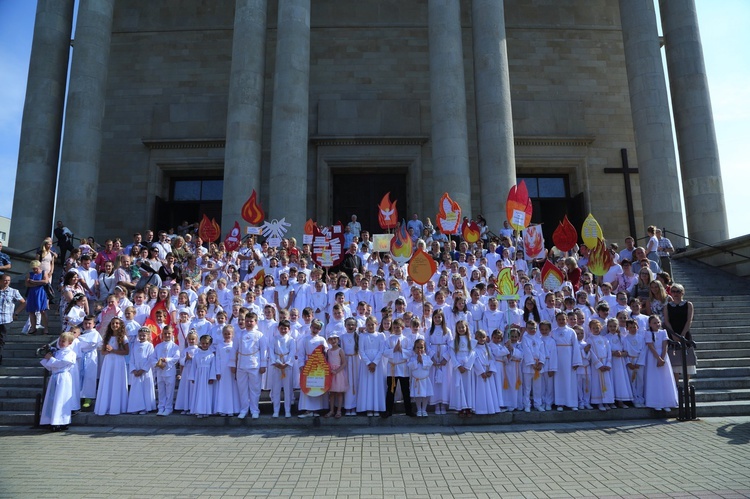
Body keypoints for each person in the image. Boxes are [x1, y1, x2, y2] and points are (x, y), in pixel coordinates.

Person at [40, 331, 77, 431]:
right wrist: (48, 358)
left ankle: (61, 421)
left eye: (63, 341)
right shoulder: (58, 352)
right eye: (60, 341)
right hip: (55, 376)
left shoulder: (70, 353)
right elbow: (52, 366)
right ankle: (50, 420)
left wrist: (51, 359)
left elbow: (61, 364)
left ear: (69, 343)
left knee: (61, 399)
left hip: (63, 378)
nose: (60, 343)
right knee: (52, 399)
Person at [94, 318, 130, 416]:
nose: (115, 325)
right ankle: (106, 406)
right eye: (113, 323)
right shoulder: (107, 337)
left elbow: (126, 352)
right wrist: (108, 351)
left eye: (117, 323)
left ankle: (117, 406)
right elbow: (103, 352)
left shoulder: (123, 337)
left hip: (118, 361)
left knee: (117, 382)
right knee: (108, 382)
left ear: (120, 325)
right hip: (108, 362)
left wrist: (113, 350)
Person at [236, 312, 267, 419]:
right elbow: (234, 350)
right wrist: (233, 364)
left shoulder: (260, 335)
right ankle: (244, 409)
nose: (249, 323)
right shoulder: (239, 334)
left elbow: (264, 351)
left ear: (256, 322)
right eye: (247, 321)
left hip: (254, 364)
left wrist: (263, 365)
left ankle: (254, 410)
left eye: (251, 321)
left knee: (255, 389)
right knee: (242, 389)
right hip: (241, 365)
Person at [644, 315, 679, 412]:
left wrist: (662, 358)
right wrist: (658, 358)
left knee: (665, 378)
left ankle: (667, 402)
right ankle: (656, 402)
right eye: (654, 323)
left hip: (663, 357)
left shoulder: (663, 332)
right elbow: (651, 346)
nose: (657, 324)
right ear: (650, 324)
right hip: (653, 357)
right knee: (655, 379)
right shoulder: (648, 333)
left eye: (658, 322)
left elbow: (665, 346)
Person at [663, 284, 696, 384]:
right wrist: (673, 335)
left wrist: (682, 334)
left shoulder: (688, 304)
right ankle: (676, 383)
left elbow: (689, 320)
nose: (675, 293)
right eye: (673, 291)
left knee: (687, 359)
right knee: (675, 358)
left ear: (682, 293)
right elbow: (667, 321)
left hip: (685, 332)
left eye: (678, 291)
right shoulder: (667, 306)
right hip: (672, 333)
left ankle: (687, 383)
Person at [356, 316, 386, 416]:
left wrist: (375, 362)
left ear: (376, 324)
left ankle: (377, 407)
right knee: (367, 384)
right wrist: (368, 363)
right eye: (368, 325)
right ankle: (368, 407)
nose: (370, 326)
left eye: (372, 324)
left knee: (377, 384)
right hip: (366, 364)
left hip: (377, 363)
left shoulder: (381, 336)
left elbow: (381, 350)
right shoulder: (362, 336)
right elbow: (361, 350)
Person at [384, 318, 413, 418]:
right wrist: (393, 350)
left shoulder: (406, 339)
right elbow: (384, 352)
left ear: (403, 328)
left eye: (398, 327)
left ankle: (408, 411)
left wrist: (401, 350)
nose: (396, 329)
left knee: (406, 390)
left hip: (403, 367)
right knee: (391, 390)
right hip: (392, 368)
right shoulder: (389, 339)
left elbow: (410, 352)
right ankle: (388, 411)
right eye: (395, 327)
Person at [127, 326, 157, 414]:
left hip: (145, 372)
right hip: (136, 370)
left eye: (144, 335)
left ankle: (145, 408)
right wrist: (134, 370)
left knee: (145, 389)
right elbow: (132, 358)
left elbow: (150, 359)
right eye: (140, 335)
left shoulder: (149, 345)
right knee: (136, 389)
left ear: (148, 336)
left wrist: (143, 369)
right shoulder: (135, 346)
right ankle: (136, 407)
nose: (142, 337)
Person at [269, 320, 296, 418]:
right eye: (281, 328)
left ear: (289, 329)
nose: (283, 330)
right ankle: (276, 410)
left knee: (287, 389)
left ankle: (287, 410)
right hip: (277, 364)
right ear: (278, 328)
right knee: (276, 389)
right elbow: (271, 351)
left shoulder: (291, 340)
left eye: (285, 328)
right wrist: (275, 362)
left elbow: (292, 352)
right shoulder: (274, 339)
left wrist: (287, 363)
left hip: (286, 366)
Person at [449, 320, 475, 417]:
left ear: (466, 328)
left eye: (462, 327)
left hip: (467, 368)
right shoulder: (453, 342)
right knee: (459, 387)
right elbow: (452, 354)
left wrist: (467, 366)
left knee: (468, 387)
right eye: (459, 327)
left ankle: (468, 407)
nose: (461, 329)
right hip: (458, 368)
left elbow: (473, 354)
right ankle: (460, 407)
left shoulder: (471, 341)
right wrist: (458, 366)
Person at [153, 325, 180, 416]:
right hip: (160, 371)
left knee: (169, 391)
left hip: (169, 371)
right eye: (165, 333)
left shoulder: (175, 346)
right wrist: (158, 363)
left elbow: (176, 358)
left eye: (169, 333)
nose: (167, 335)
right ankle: (161, 407)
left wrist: (167, 360)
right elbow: (153, 358)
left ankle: (168, 408)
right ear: (162, 334)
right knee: (161, 390)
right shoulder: (158, 346)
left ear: (172, 334)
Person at [214, 325, 240, 416]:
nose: (227, 335)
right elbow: (217, 359)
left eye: (229, 334)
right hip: (222, 370)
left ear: (232, 334)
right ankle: (223, 409)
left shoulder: (235, 345)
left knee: (232, 389)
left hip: (232, 370)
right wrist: (217, 371)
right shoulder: (219, 345)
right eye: (225, 334)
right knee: (223, 390)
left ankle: (233, 409)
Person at [190, 334, 217, 418]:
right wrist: (193, 377)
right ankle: (199, 410)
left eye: (206, 343)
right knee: (199, 393)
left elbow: (213, 367)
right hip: (198, 376)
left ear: (209, 344)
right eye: (203, 343)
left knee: (207, 393)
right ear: (200, 343)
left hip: (207, 376)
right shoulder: (196, 355)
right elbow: (193, 367)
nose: (204, 345)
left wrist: (212, 377)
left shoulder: (211, 355)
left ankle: (207, 411)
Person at [0, 274, 25, 364]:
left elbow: (23, 302)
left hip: (6, 319)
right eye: (5, 280)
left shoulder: (13, 291)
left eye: (9, 280)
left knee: (1, 340)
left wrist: (16, 312)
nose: (7, 282)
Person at [175, 331, 199, 414]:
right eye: (190, 339)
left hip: (194, 371)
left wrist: (192, 358)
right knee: (186, 388)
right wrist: (186, 359)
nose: (191, 341)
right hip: (186, 371)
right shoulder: (185, 350)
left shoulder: (198, 350)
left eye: (193, 339)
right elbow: (181, 362)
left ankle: (193, 407)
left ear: (196, 340)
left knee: (193, 389)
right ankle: (186, 407)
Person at [408, 338, 433, 417]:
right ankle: (419, 409)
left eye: (421, 347)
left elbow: (429, 365)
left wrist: (422, 361)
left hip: (425, 380)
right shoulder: (412, 358)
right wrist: (417, 361)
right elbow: (410, 366)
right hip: (416, 380)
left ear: (425, 348)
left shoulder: (427, 357)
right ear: (414, 348)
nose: (419, 349)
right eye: (417, 347)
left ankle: (424, 409)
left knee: (425, 395)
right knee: (418, 395)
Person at [325, 332, 348, 418]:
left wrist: (337, 371)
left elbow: (344, 363)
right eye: (331, 339)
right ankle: (331, 410)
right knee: (332, 393)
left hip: (338, 374)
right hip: (331, 373)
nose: (333, 340)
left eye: (335, 338)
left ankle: (339, 410)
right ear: (329, 341)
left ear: (338, 340)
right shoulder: (329, 351)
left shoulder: (340, 350)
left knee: (339, 393)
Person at [25, 260, 50, 335]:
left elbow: (46, 281)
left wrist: (33, 282)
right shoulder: (30, 274)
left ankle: (46, 328)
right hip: (32, 293)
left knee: (43, 311)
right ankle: (33, 327)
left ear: (39, 267)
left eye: (36, 268)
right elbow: (27, 284)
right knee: (31, 311)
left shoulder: (43, 272)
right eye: (33, 268)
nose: (34, 270)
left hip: (41, 293)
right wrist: (38, 283)